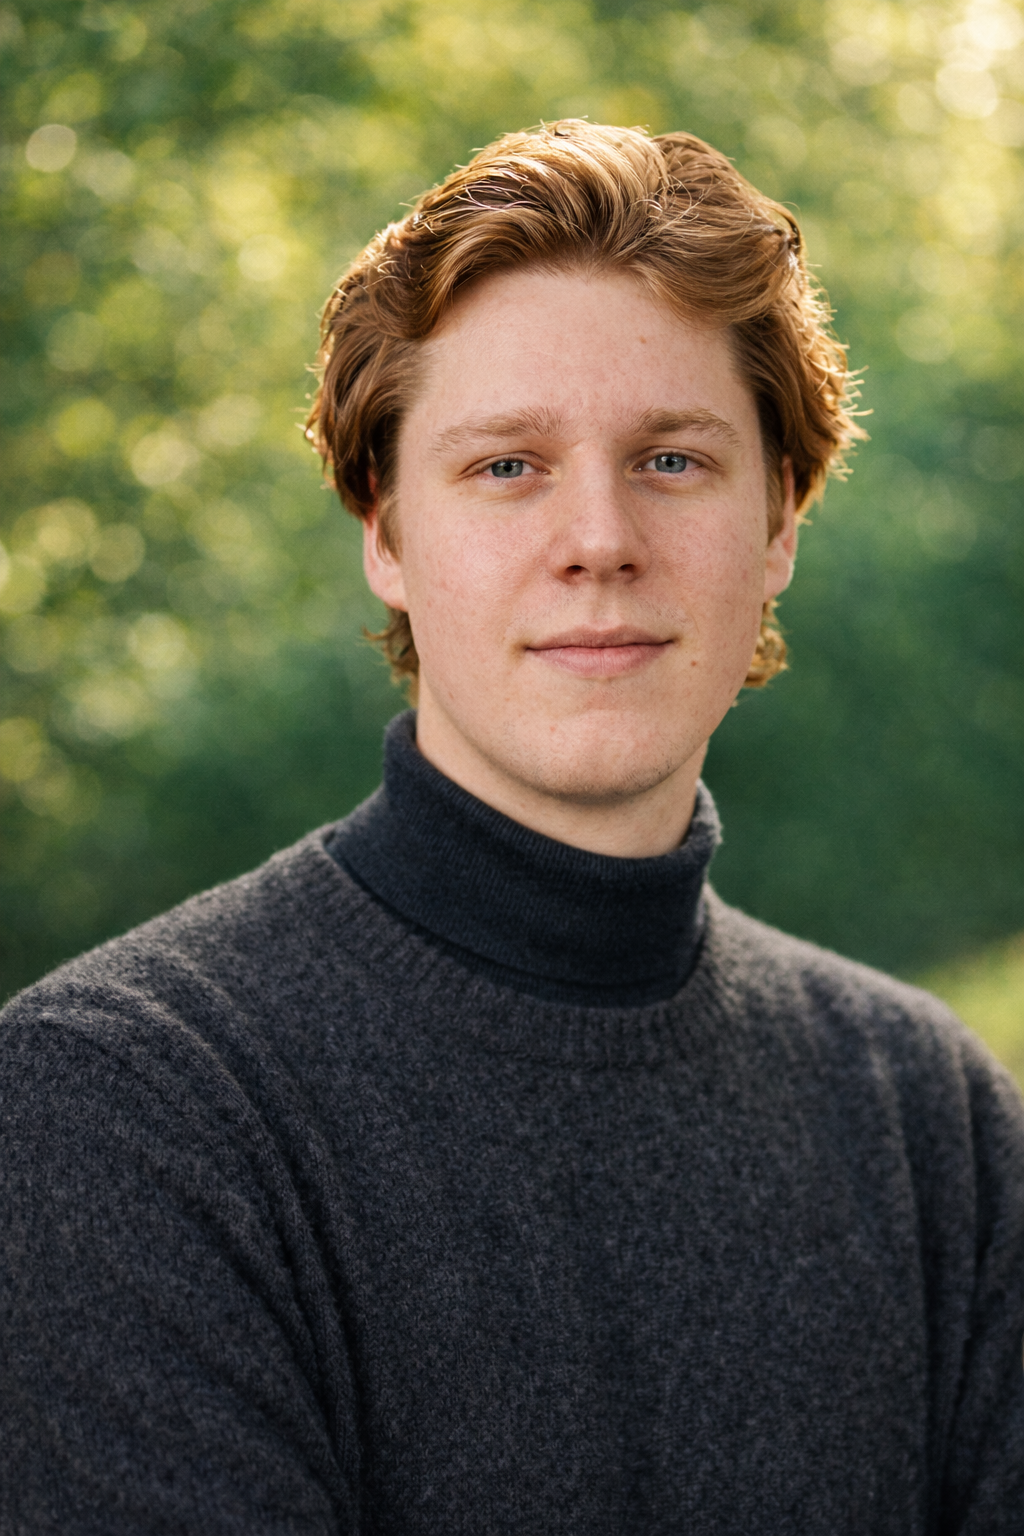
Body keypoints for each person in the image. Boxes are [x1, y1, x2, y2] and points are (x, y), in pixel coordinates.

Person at [1, 121, 1021, 1534]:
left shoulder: (926, 1120)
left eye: (673, 459)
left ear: (780, 521)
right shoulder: (120, 1109)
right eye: (506, 467)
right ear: (386, 534)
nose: (599, 538)